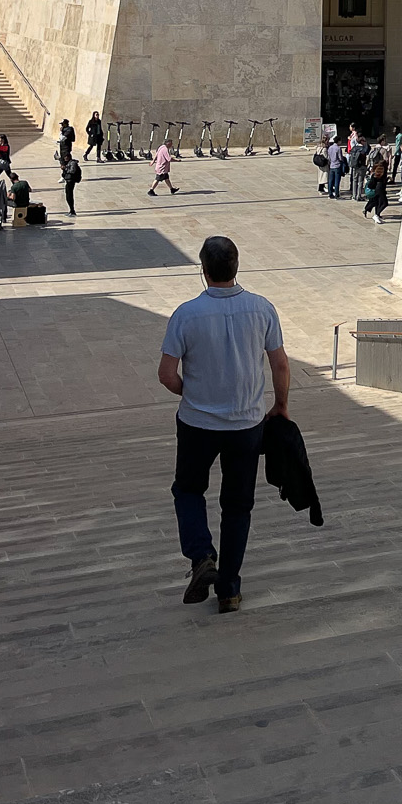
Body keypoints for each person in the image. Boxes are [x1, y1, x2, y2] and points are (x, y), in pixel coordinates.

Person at [157, 234, 289, 613]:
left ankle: (202, 557)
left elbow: (166, 375)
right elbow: (279, 363)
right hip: (247, 425)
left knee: (188, 490)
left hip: (197, 422)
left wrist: (192, 392)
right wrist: (280, 406)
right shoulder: (262, 309)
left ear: (203, 270)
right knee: (237, 506)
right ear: (236, 267)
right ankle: (229, 590)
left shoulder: (186, 314)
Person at [363, 144, 390, 224]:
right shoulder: (382, 171)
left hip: (379, 189)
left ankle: (375, 214)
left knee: (377, 202)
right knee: (384, 203)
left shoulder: (379, 171)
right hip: (380, 189)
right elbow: (380, 180)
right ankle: (376, 215)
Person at [348, 129, 370, 202]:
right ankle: (359, 195)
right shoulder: (363, 149)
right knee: (360, 181)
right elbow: (366, 156)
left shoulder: (354, 148)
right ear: (362, 142)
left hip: (354, 166)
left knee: (354, 180)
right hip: (361, 166)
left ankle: (354, 195)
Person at [62, 152, 81, 217]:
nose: (65, 158)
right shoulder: (68, 163)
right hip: (68, 181)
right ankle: (71, 210)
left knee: (69, 196)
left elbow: (72, 171)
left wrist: (65, 168)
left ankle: (72, 211)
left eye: (66, 157)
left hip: (71, 181)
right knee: (68, 195)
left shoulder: (72, 163)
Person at [325, 134, 344, 200]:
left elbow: (328, 157)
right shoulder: (338, 148)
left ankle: (330, 194)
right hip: (337, 165)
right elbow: (340, 158)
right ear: (338, 141)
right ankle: (336, 194)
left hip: (331, 165)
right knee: (337, 181)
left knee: (330, 180)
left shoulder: (330, 147)